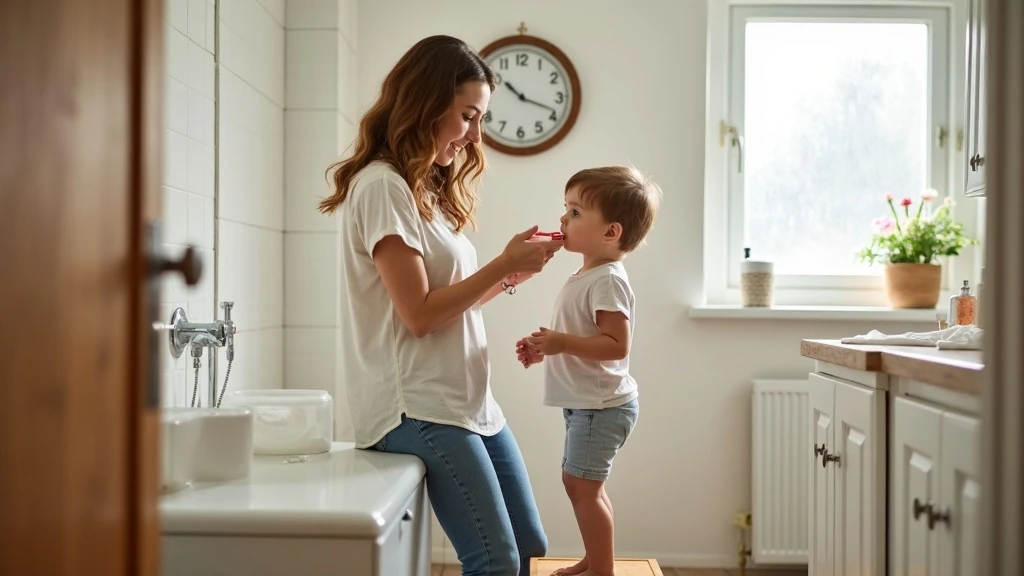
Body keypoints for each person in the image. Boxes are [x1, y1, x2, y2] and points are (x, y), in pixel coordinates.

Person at [317, 35, 561, 576]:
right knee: (495, 562)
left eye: (482, 118)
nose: (477, 135)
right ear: (427, 104)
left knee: (529, 547)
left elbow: (443, 302)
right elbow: (420, 315)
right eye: (468, 116)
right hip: (416, 405)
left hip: (464, 399)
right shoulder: (382, 186)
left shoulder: (421, 187)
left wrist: (509, 275)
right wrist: (498, 265)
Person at [516, 166, 662, 576]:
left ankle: (602, 570)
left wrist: (561, 343)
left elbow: (617, 345)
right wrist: (546, 349)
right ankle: (598, 560)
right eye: (566, 209)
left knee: (582, 486)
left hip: (602, 406)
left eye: (576, 212)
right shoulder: (587, 275)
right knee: (584, 486)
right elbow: (583, 337)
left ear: (611, 233)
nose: (563, 220)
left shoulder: (607, 280)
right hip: (588, 403)